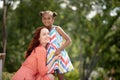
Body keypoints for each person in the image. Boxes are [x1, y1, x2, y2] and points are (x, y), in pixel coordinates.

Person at [39, 10, 74, 80]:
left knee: (61, 78)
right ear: (42, 19)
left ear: (53, 19)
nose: (46, 20)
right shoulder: (43, 30)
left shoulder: (57, 29)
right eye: (44, 18)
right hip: (48, 57)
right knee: (49, 77)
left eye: (49, 18)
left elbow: (69, 40)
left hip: (58, 55)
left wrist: (59, 49)